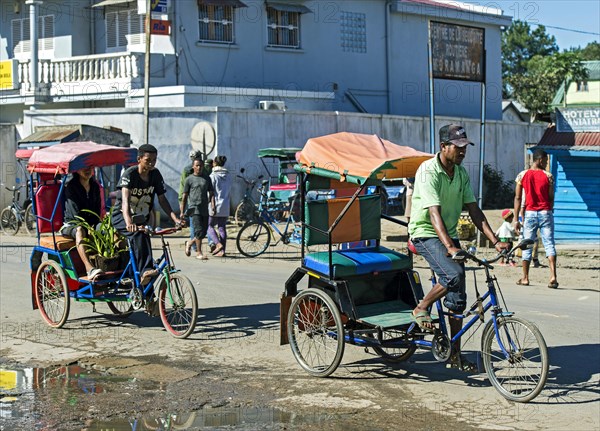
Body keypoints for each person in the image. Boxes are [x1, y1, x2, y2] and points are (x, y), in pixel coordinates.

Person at [409, 124, 509, 371]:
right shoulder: (427, 171)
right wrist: (449, 247)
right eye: (459, 147)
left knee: (457, 301)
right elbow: (434, 213)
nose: (463, 152)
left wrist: (496, 242)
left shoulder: (461, 173)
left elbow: (474, 211)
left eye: (465, 147)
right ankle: (421, 307)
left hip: (448, 235)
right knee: (453, 274)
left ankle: (454, 354)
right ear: (443, 146)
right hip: (424, 233)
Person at [112, 144, 183, 285]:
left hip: (140, 219)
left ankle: (150, 298)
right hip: (122, 217)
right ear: (139, 159)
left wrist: (175, 219)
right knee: (139, 234)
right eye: (148, 160)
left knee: (145, 242)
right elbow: (125, 201)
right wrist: (128, 223)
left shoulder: (155, 175)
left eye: (154, 160)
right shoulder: (130, 175)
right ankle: (144, 271)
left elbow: (162, 200)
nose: (151, 163)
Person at [513, 149, 558, 288]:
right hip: (545, 213)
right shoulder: (548, 176)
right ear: (539, 160)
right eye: (545, 161)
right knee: (549, 244)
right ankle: (553, 277)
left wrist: (516, 219)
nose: (546, 163)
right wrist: (549, 209)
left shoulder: (522, 175)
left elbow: (518, 197)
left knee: (526, 245)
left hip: (530, 214)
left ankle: (525, 278)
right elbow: (551, 197)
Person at [60, 167, 104, 280]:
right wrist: (87, 228)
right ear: (77, 170)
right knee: (80, 230)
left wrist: (97, 226)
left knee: (107, 229)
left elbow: (97, 211)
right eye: (83, 167)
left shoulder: (95, 186)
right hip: (72, 224)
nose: (87, 170)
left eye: (90, 167)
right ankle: (89, 268)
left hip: (91, 223)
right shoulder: (71, 187)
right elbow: (75, 215)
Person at [179, 150, 216, 253]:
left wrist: (213, 205)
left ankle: (190, 243)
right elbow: (184, 194)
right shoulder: (188, 178)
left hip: (204, 207)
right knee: (197, 229)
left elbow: (211, 192)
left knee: (203, 232)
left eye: (201, 165)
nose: (199, 167)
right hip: (193, 207)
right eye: (197, 165)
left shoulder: (206, 178)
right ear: (193, 166)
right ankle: (199, 252)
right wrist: (182, 211)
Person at [208, 156, 232, 257]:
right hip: (225, 204)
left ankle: (218, 244)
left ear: (214, 163)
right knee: (222, 227)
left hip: (214, 204)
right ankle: (222, 251)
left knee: (209, 226)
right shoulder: (229, 176)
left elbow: (211, 192)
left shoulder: (213, 176)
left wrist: (209, 203)